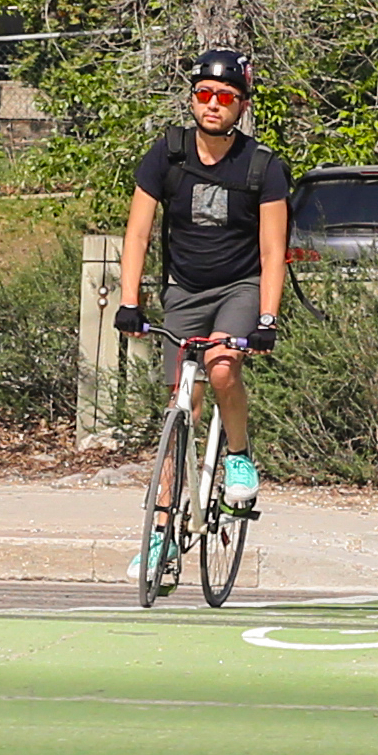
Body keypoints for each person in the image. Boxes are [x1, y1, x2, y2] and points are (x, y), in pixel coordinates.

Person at [114, 48, 295, 534]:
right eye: (205, 94)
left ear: (241, 106)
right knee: (181, 405)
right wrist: (129, 301)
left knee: (220, 368)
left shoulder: (262, 166)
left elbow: (274, 250)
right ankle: (160, 533)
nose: (213, 104)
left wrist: (267, 319)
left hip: (240, 287)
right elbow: (137, 234)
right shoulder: (167, 154)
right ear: (192, 99)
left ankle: (238, 457)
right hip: (185, 291)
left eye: (226, 97)